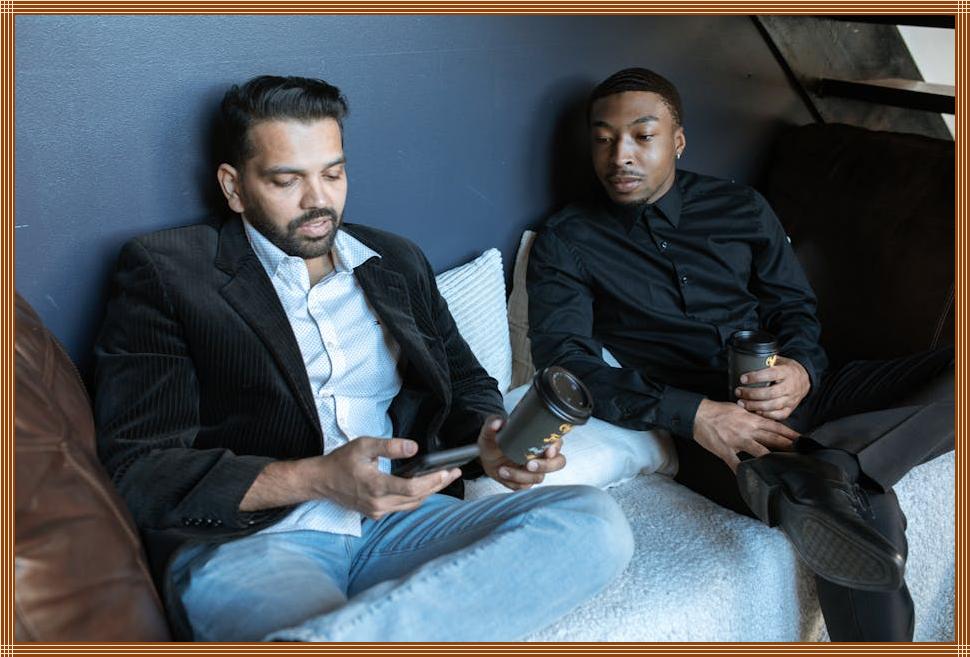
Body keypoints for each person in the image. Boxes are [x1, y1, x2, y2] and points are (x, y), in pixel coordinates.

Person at [94, 75, 634, 642]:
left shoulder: (395, 260)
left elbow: (466, 381)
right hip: (256, 541)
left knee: (593, 523)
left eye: (333, 174)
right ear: (233, 187)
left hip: (398, 523)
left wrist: (490, 441)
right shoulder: (168, 271)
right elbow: (139, 469)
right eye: (287, 180)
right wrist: (316, 479)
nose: (318, 201)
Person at [526, 67, 953, 642]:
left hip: (801, 386)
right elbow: (565, 366)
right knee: (859, 507)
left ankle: (835, 461)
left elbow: (794, 308)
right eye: (603, 139)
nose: (620, 155)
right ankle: (835, 472)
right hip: (711, 423)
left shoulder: (740, 207)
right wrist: (696, 415)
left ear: (677, 140)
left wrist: (802, 369)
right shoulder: (567, 240)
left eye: (642, 136)